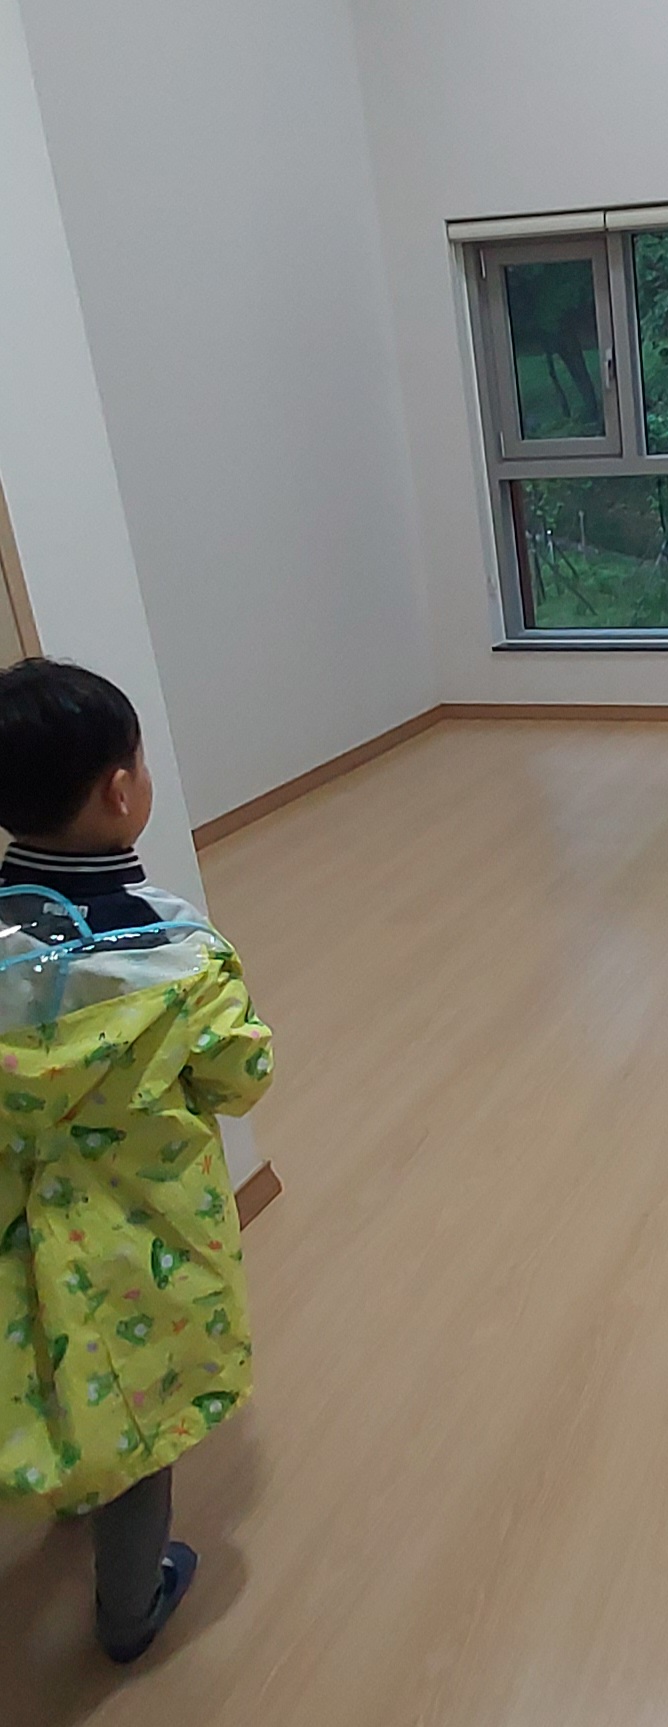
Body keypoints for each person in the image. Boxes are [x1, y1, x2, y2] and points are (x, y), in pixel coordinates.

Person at [0, 658, 273, 1663]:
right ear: (122, 790)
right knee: (139, 1411)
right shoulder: (176, 950)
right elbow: (240, 1074)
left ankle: (61, 1475)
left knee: (40, 1364)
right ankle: (130, 1607)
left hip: (17, 1222)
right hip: (136, 1229)